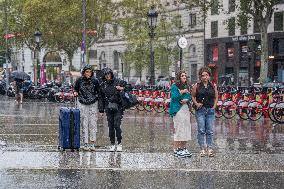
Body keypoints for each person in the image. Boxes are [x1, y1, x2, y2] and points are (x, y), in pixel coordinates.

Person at [192, 66, 218, 157]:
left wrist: (214, 107)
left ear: (209, 76)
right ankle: (202, 149)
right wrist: (196, 103)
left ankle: (210, 148)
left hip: (210, 110)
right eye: (203, 75)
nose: (205, 77)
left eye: (206, 75)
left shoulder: (213, 85)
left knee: (210, 130)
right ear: (200, 77)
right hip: (200, 111)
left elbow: (216, 97)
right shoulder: (197, 85)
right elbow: (193, 96)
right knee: (201, 130)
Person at [98, 67, 127, 152]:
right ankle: (112, 143)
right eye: (106, 74)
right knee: (110, 126)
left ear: (111, 74)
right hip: (108, 107)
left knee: (117, 125)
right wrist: (101, 110)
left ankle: (119, 143)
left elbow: (128, 87)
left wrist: (122, 88)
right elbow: (101, 98)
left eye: (109, 74)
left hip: (118, 106)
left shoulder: (118, 81)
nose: (107, 76)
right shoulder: (102, 85)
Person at [74, 64, 100, 151]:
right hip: (82, 102)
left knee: (93, 123)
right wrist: (75, 93)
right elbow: (75, 89)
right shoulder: (79, 80)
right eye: (87, 71)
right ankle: (85, 143)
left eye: (90, 71)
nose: (88, 73)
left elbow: (98, 91)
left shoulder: (95, 81)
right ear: (84, 72)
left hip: (93, 103)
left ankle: (92, 143)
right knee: (84, 122)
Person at [168, 70, 192, 158]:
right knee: (179, 129)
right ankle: (176, 149)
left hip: (185, 108)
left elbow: (190, 96)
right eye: (182, 76)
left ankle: (183, 148)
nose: (184, 77)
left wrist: (187, 99)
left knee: (186, 128)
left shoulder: (186, 86)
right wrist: (182, 92)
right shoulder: (174, 86)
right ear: (179, 77)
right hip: (177, 110)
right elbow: (174, 97)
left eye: (185, 76)